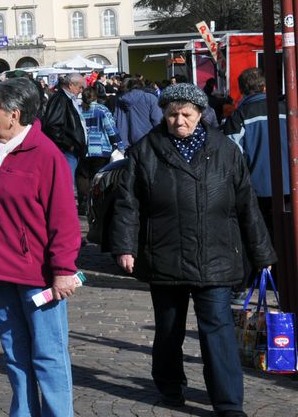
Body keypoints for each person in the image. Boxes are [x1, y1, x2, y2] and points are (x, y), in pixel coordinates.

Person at [111, 84, 276, 415]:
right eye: (172, 114)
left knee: (217, 328)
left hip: (215, 254)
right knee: (169, 328)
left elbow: (247, 204)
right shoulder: (146, 150)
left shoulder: (226, 150)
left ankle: (228, 403)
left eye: (186, 114)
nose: (179, 121)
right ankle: (170, 387)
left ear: (200, 115)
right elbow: (128, 203)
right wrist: (125, 246)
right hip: (165, 251)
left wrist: (263, 255)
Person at [0, 78, 81, 417]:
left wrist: (63, 271)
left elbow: (64, 220)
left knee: (48, 355)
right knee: (15, 355)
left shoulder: (47, 156)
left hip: (37, 275)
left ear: (14, 114)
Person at [223, 67, 289, 240]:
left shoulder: (238, 117)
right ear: (265, 87)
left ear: (242, 90)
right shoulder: (287, 110)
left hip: (257, 192)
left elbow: (232, 158)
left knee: (264, 239)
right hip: (291, 187)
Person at [78, 86, 125, 205]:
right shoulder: (102, 110)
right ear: (95, 97)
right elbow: (111, 129)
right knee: (98, 177)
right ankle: (97, 202)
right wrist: (120, 146)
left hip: (83, 148)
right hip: (101, 149)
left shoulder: (78, 110)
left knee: (84, 177)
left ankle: (84, 202)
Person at [40, 73, 87, 184]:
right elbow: (52, 125)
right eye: (80, 87)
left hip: (72, 150)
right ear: (71, 85)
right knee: (65, 185)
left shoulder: (67, 98)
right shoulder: (61, 98)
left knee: (69, 184)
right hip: (66, 151)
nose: (81, 91)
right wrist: (68, 145)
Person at [115, 77, 162, 147]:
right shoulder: (150, 98)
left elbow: (116, 120)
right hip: (147, 142)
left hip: (126, 144)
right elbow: (158, 121)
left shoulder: (120, 100)